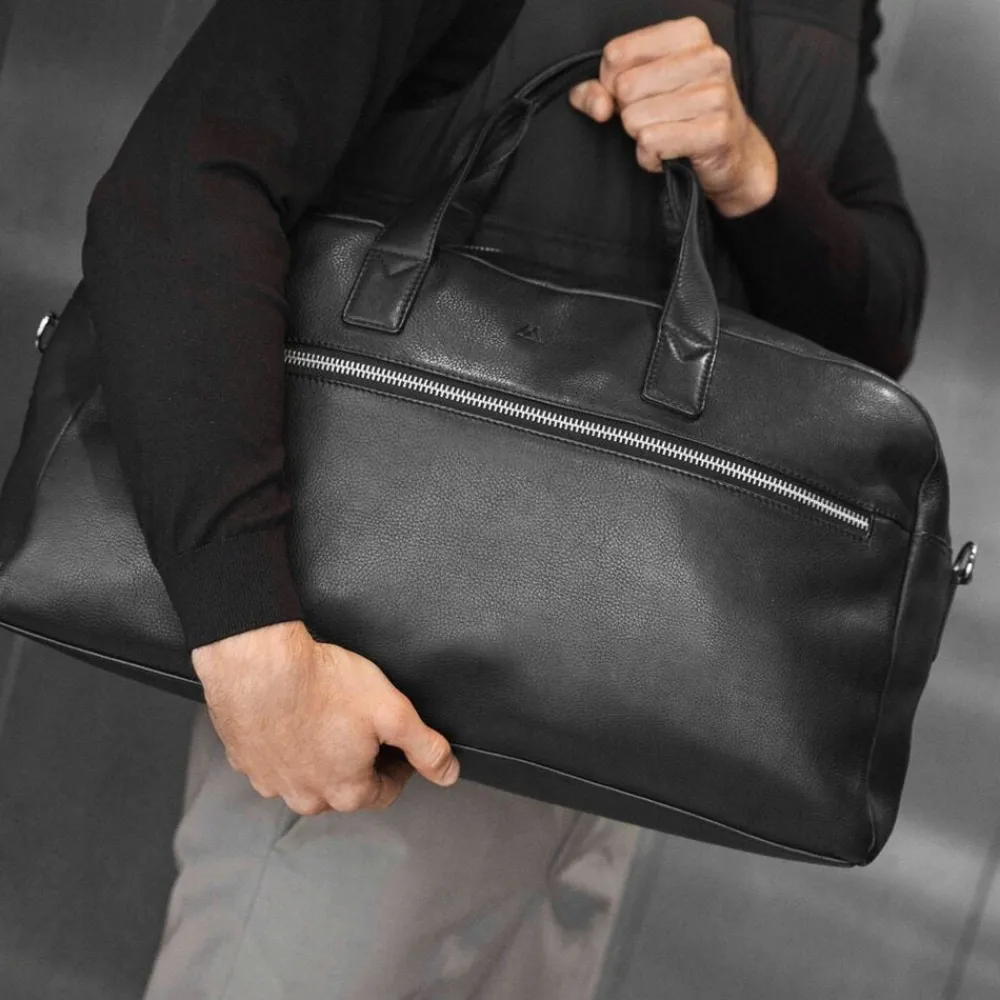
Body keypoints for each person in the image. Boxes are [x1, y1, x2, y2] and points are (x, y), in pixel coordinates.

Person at [80, 1, 927, 997]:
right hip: (373, 718)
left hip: (613, 759)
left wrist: (753, 174)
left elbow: (876, 336)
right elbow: (187, 178)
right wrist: (250, 639)